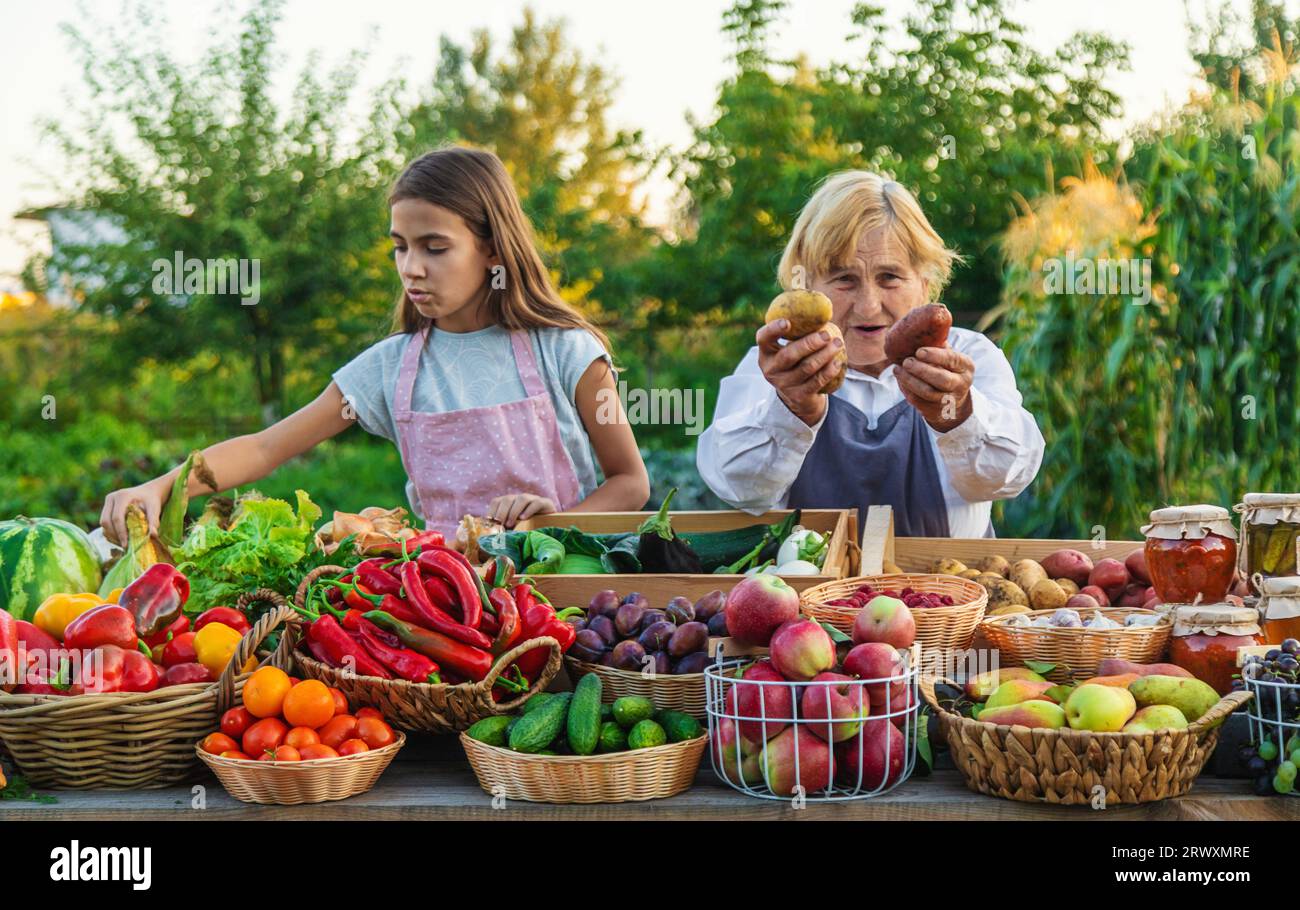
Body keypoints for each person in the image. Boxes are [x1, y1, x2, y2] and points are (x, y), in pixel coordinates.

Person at [101, 146, 649, 544]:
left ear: (491, 249)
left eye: (435, 248)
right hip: (444, 609)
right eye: (400, 247)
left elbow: (631, 483)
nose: (411, 269)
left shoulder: (566, 353)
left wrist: (549, 524)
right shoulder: (391, 368)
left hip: (565, 598)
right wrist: (162, 487)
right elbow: (266, 448)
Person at [696, 171, 1043, 538]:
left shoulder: (968, 357)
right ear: (807, 287)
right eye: (844, 279)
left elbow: (1006, 479)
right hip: (811, 592)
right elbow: (740, 491)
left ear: (924, 285)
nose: (867, 307)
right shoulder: (777, 367)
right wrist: (791, 409)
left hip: (948, 588)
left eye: (890, 277)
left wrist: (957, 414)